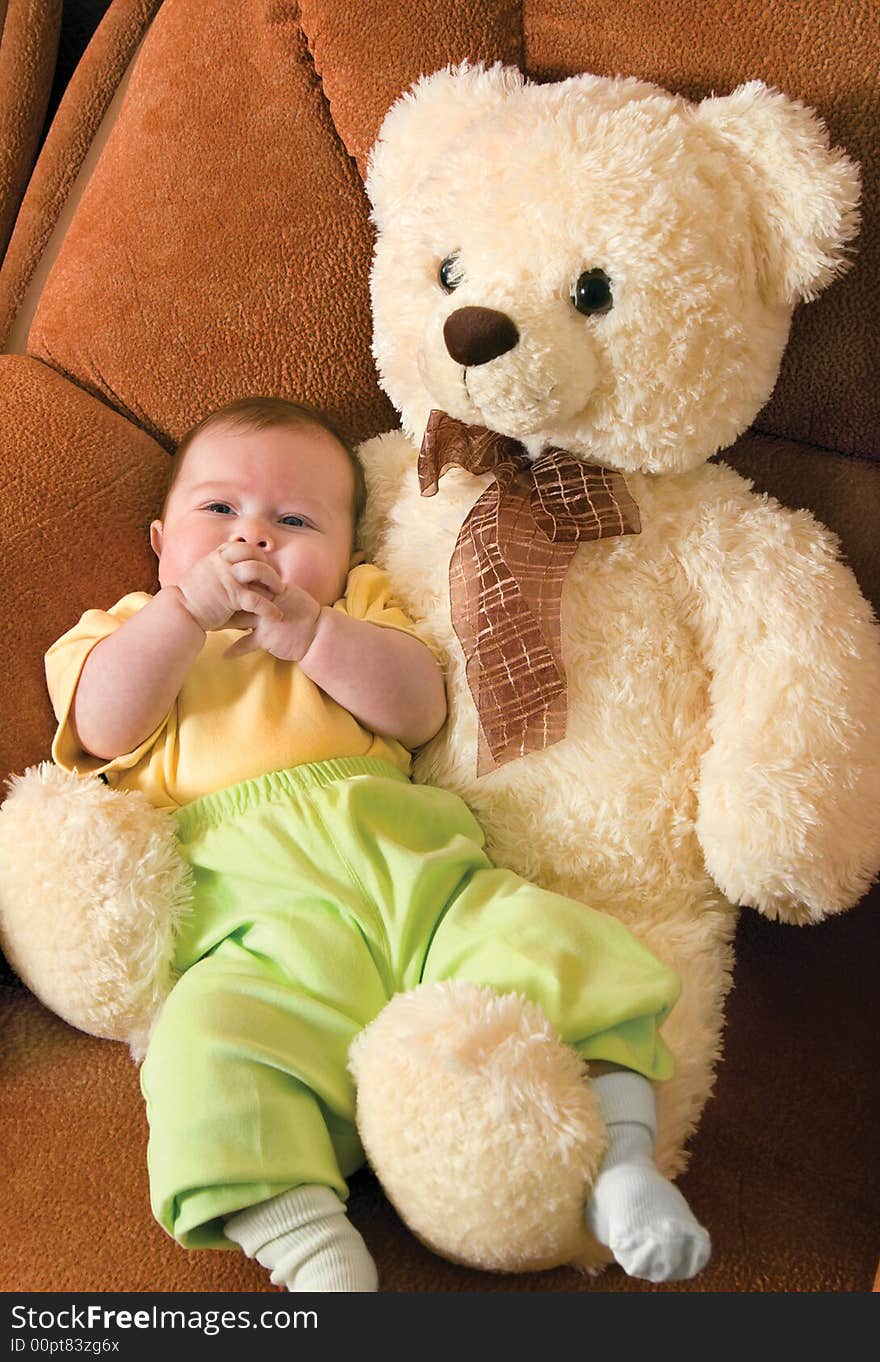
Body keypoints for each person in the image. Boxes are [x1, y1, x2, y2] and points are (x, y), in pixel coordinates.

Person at [45, 397, 710, 1292]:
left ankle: (622, 1166)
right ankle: (313, 1253)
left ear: (346, 552)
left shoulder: (355, 607)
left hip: (420, 883)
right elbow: (100, 719)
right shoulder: (124, 631)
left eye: (294, 520)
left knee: (558, 946)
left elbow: (420, 706)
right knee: (201, 1050)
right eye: (218, 512)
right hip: (255, 930)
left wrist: (314, 635)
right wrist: (179, 618)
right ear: (162, 541)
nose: (254, 539)